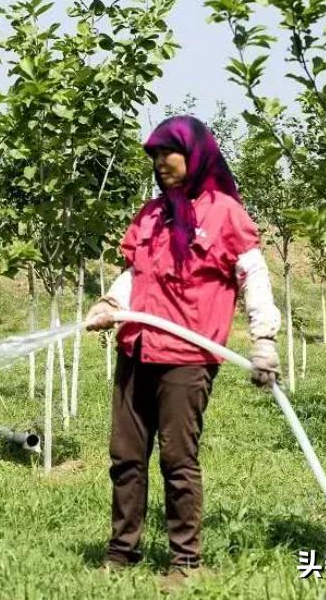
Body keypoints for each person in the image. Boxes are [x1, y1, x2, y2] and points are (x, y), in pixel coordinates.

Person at [85, 115, 282, 588]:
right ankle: (121, 553)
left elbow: (252, 276)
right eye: (153, 155)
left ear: (194, 155)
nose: (159, 163)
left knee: (177, 460)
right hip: (137, 348)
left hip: (188, 357)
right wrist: (111, 302)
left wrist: (264, 340)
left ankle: (186, 563)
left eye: (167, 153)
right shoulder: (152, 215)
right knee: (125, 457)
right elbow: (136, 274)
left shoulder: (225, 213)